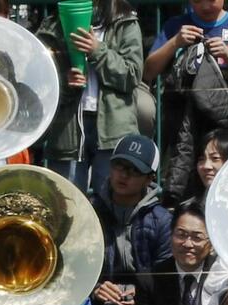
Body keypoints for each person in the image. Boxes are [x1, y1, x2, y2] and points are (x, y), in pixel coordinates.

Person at [142, 0, 228, 202]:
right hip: (182, 118)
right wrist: (175, 42)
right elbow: (149, 71)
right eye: (198, 0)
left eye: (211, 0)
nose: (205, 6)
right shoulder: (175, 25)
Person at [39, 0, 148, 197]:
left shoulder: (125, 22)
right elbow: (42, 80)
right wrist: (65, 81)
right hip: (68, 130)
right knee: (67, 202)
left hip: (113, 129)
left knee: (111, 201)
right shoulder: (53, 25)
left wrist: (97, 50)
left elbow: (132, 75)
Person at [82, 135, 174, 305]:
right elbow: (76, 268)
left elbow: (166, 282)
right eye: (119, 166)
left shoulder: (162, 220)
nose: (123, 175)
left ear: (149, 178)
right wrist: (95, 290)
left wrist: (139, 296)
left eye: (134, 170)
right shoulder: (89, 212)